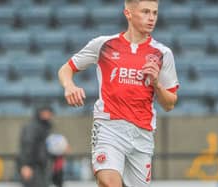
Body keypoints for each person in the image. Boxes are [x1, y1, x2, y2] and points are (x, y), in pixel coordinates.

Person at [58, 0, 179, 186]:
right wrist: (69, 86)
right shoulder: (104, 44)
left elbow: (170, 104)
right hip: (109, 126)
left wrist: (156, 84)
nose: (151, 18)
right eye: (145, 12)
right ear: (128, 14)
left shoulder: (162, 53)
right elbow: (66, 69)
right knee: (109, 182)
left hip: (142, 133)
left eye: (155, 13)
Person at [17, 105, 54, 187]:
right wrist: (26, 165)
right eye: (46, 111)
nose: (48, 114)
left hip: (42, 167)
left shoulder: (46, 127)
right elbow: (27, 145)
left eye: (50, 112)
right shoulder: (32, 127)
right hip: (33, 168)